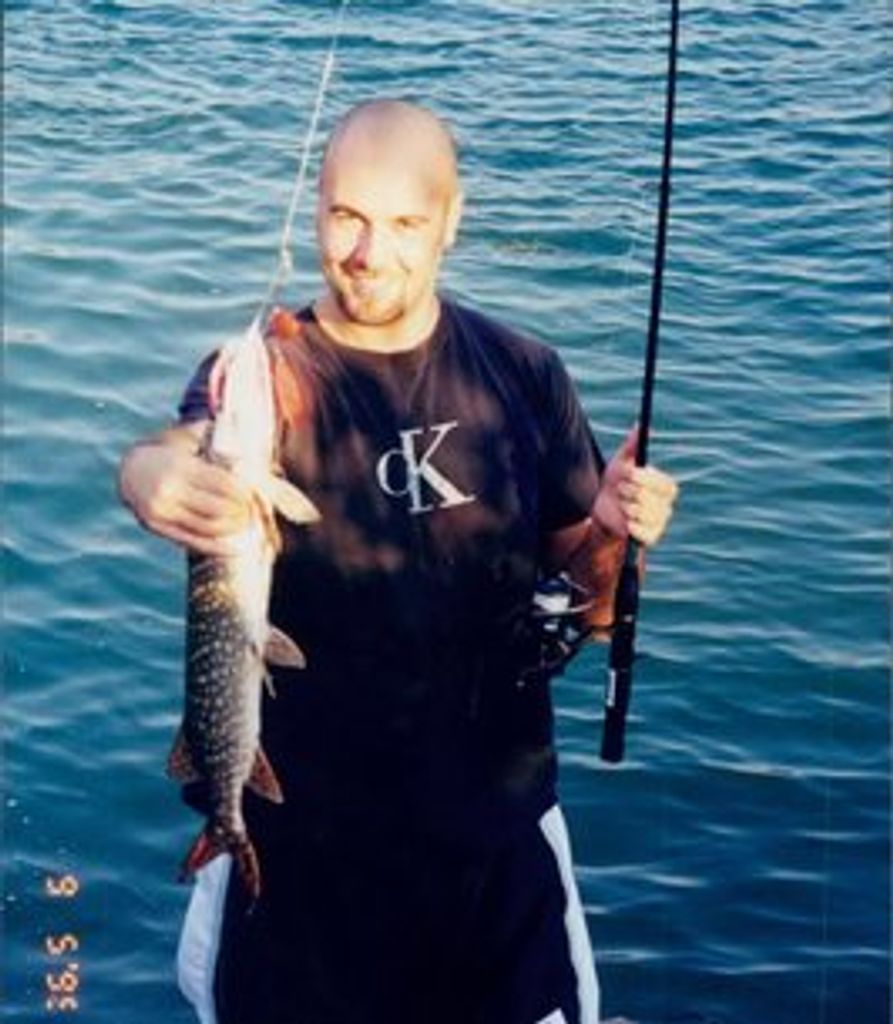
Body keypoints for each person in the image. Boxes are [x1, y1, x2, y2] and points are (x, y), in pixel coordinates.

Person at [119, 99, 678, 1024]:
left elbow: (591, 609)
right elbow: (190, 439)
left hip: (493, 856)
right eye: (346, 216)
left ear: (451, 221)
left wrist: (615, 533)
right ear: (316, 209)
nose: (368, 253)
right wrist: (147, 474)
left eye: (404, 224)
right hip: (300, 859)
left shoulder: (523, 371)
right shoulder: (269, 370)